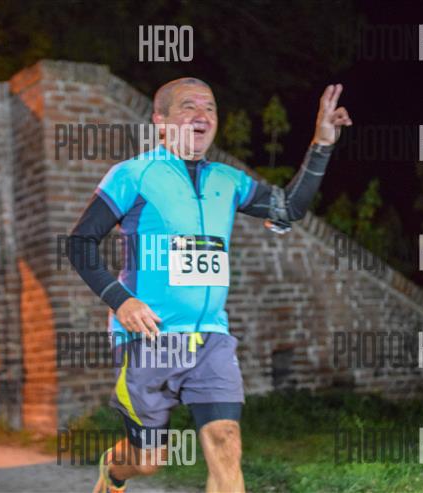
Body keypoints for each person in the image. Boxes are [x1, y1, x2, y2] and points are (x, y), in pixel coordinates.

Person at [67, 77, 351, 493]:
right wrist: (120, 300)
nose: (202, 115)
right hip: (149, 337)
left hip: (212, 340)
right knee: (148, 461)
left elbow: (288, 208)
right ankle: (115, 469)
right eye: (189, 106)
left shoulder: (228, 180)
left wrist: (322, 143)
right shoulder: (133, 174)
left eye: (210, 107)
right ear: (160, 120)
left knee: (225, 440)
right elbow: (79, 243)